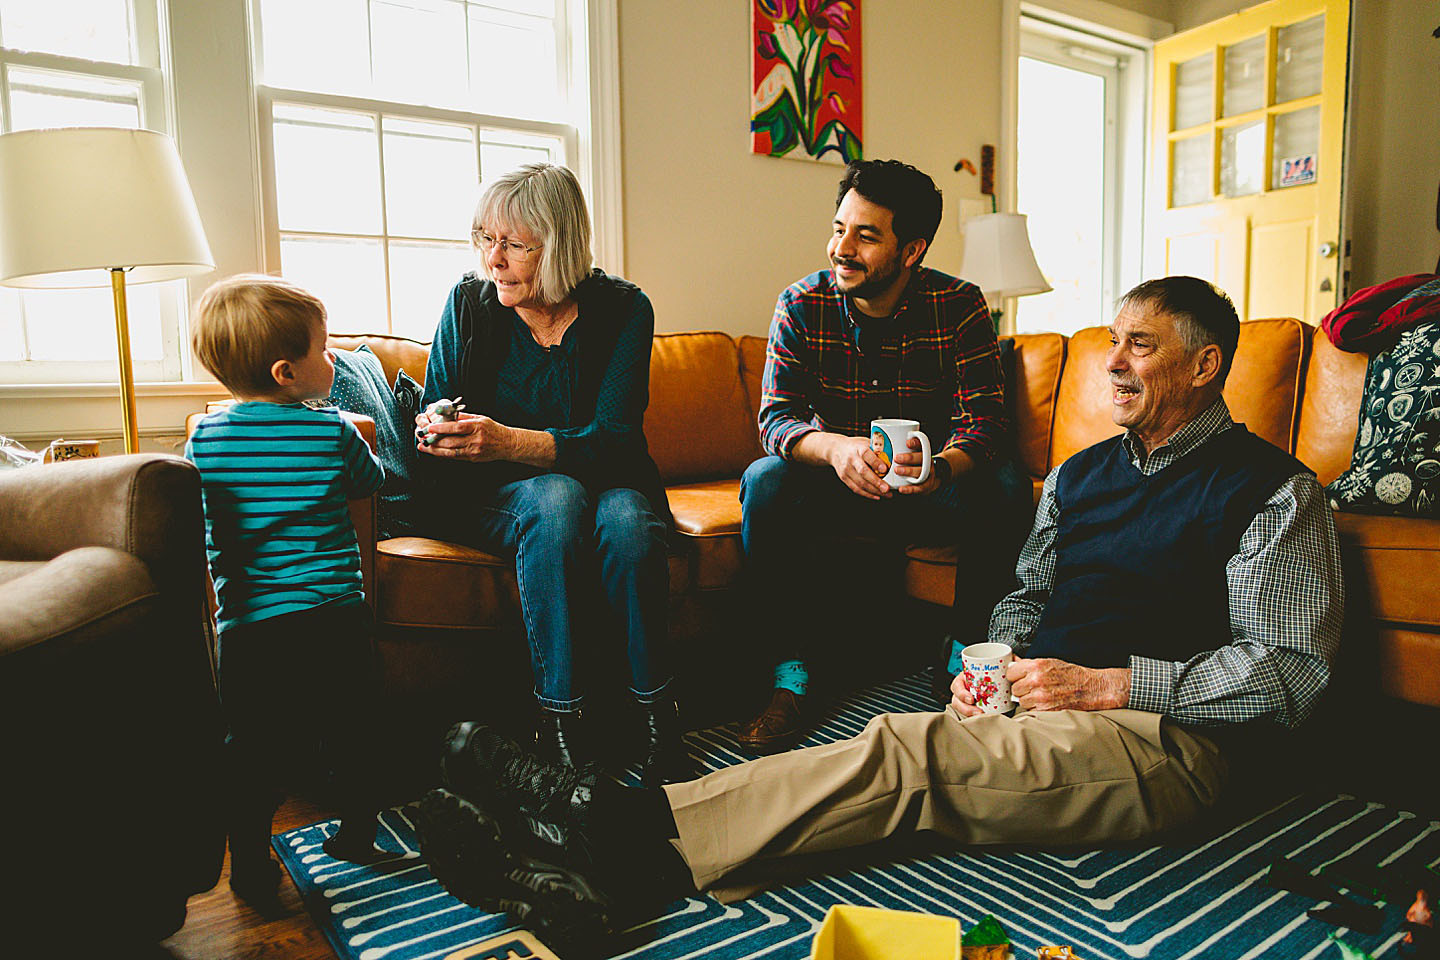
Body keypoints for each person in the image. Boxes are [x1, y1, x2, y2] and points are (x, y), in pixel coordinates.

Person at [411, 276, 1345, 949]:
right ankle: (605, 870)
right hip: (1040, 698)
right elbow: (1026, 591)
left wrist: (1111, 684)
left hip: (1163, 736)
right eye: (1113, 339)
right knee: (919, 763)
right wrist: (996, 661)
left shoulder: (1272, 493)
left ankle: (616, 822)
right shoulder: (1081, 474)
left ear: (1205, 365)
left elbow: (1290, 675)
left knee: (910, 753)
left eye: (1140, 344)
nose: (1113, 361)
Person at [738, 158, 1025, 754]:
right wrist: (837, 449)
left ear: (912, 249)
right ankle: (789, 677)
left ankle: (961, 660)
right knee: (764, 481)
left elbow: (986, 423)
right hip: (841, 487)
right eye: (840, 228)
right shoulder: (801, 305)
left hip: (930, 491)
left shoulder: (961, 305)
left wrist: (941, 466)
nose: (843, 247)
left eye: (866, 235)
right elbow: (776, 421)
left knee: (1006, 484)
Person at [415, 162, 684, 784]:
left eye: (513, 244)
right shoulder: (469, 304)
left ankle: (656, 718)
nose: (493, 259)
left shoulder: (624, 309)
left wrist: (508, 438)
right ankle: (563, 722)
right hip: (494, 495)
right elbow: (435, 408)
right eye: (485, 238)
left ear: (559, 245)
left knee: (628, 524)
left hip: (612, 481)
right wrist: (437, 423)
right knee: (558, 498)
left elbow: (616, 442)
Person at [187, 275, 386, 903]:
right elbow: (369, 481)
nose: (334, 359)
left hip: (250, 624)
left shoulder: (205, 440)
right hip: (334, 614)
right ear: (286, 373)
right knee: (353, 728)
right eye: (324, 350)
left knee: (250, 747)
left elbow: (196, 519)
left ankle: (249, 861)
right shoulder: (332, 433)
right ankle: (358, 832)